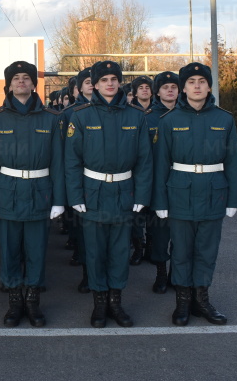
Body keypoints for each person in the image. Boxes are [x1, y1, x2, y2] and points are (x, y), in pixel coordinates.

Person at [152, 63, 237, 326]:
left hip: (215, 193)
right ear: (183, 87)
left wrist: (234, 199)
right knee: (181, 250)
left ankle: (201, 301)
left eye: (201, 81)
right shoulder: (169, 121)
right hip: (179, 193)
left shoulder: (224, 119)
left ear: (209, 86)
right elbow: (161, 164)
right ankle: (182, 302)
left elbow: (234, 162)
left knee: (206, 250)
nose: (196, 86)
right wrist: (159, 201)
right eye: (191, 81)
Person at [65, 61, 152, 328]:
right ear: (96, 84)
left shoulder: (136, 116)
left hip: (124, 192)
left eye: (114, 79)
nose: (110, 84)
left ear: (120, 82)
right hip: (93, 193)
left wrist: (142, 196)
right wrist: (75, 196)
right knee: (94, 251)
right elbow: (72, 161)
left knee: (119, 250)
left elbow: (144, 160)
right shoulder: (81, 116)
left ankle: (116, 302)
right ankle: (99, 304)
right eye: (104, 80)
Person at [0, 61, 65, 327]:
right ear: (9, 84)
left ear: (33, 83)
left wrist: (60, 200)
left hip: (40, 192)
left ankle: (33, 302)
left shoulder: (51, 119)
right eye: (16, 78)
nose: (21, 82)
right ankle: (15, 303)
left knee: (37, 251)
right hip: (8, 192)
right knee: (10, 250)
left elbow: (59, 162)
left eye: (26, 78)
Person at [143, 71, 180, 294]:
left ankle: (176, 273)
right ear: (157, 91)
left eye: (174, 86)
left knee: (181, 234)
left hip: (181, 183)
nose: (169, 90)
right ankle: (160, 273)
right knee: (159, 234)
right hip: (157, 184)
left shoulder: (186, 115)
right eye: (165, 87)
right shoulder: (147, 118)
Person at [61, 66, 94, 292]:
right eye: (87, 81)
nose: (92, 84)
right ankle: (87, 273)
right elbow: (65, 152)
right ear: (79, 87)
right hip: (80, 180)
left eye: (95, 80)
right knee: (85, 233)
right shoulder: (69, 114)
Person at [128, 75, 154, 265]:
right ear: (135, 92)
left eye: (147, 87)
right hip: (135, 172)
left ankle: (152, 249)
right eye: (141, 87)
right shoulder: (130, 113)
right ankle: (138, 248)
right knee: (136, 217)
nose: (145, 90)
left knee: (155, 215)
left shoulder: (159, 113)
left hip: (156, 170)